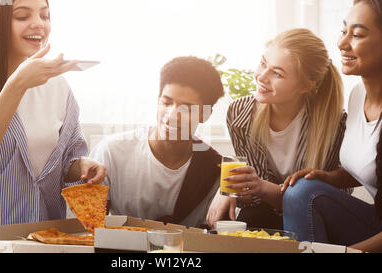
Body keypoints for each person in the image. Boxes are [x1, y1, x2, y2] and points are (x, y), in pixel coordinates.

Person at [0, 0, 106, 253]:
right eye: (22, 16)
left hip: (41, 245)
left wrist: (80, 167)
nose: (39, 23)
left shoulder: (58, 88)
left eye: (45, 15)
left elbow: (68, 158)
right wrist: (17, 85)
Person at [206, 28, 347, 230]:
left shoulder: (334, 124)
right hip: (262, 215)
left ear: (306, 85)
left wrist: (260, 187)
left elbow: (324, 203)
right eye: (263, 63)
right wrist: (227, 190)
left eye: (277, 73)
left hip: (315, 221)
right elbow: (253, 200)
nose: (261, 77)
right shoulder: (240, 114)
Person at [282, 0, 382, 253]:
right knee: (300, 190)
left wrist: (348, 253)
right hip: (374, 222)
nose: (341, 43)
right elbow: (372, 166)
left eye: (357, 34)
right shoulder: (358, 95)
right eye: (344, 30)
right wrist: (329, 178)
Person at [89, 56, 224, 228]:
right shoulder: (111, 152)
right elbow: (90, 227)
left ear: (205, 114)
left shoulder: (215, 170)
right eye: (166, 103)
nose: (172, 115)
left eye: (187, 108)